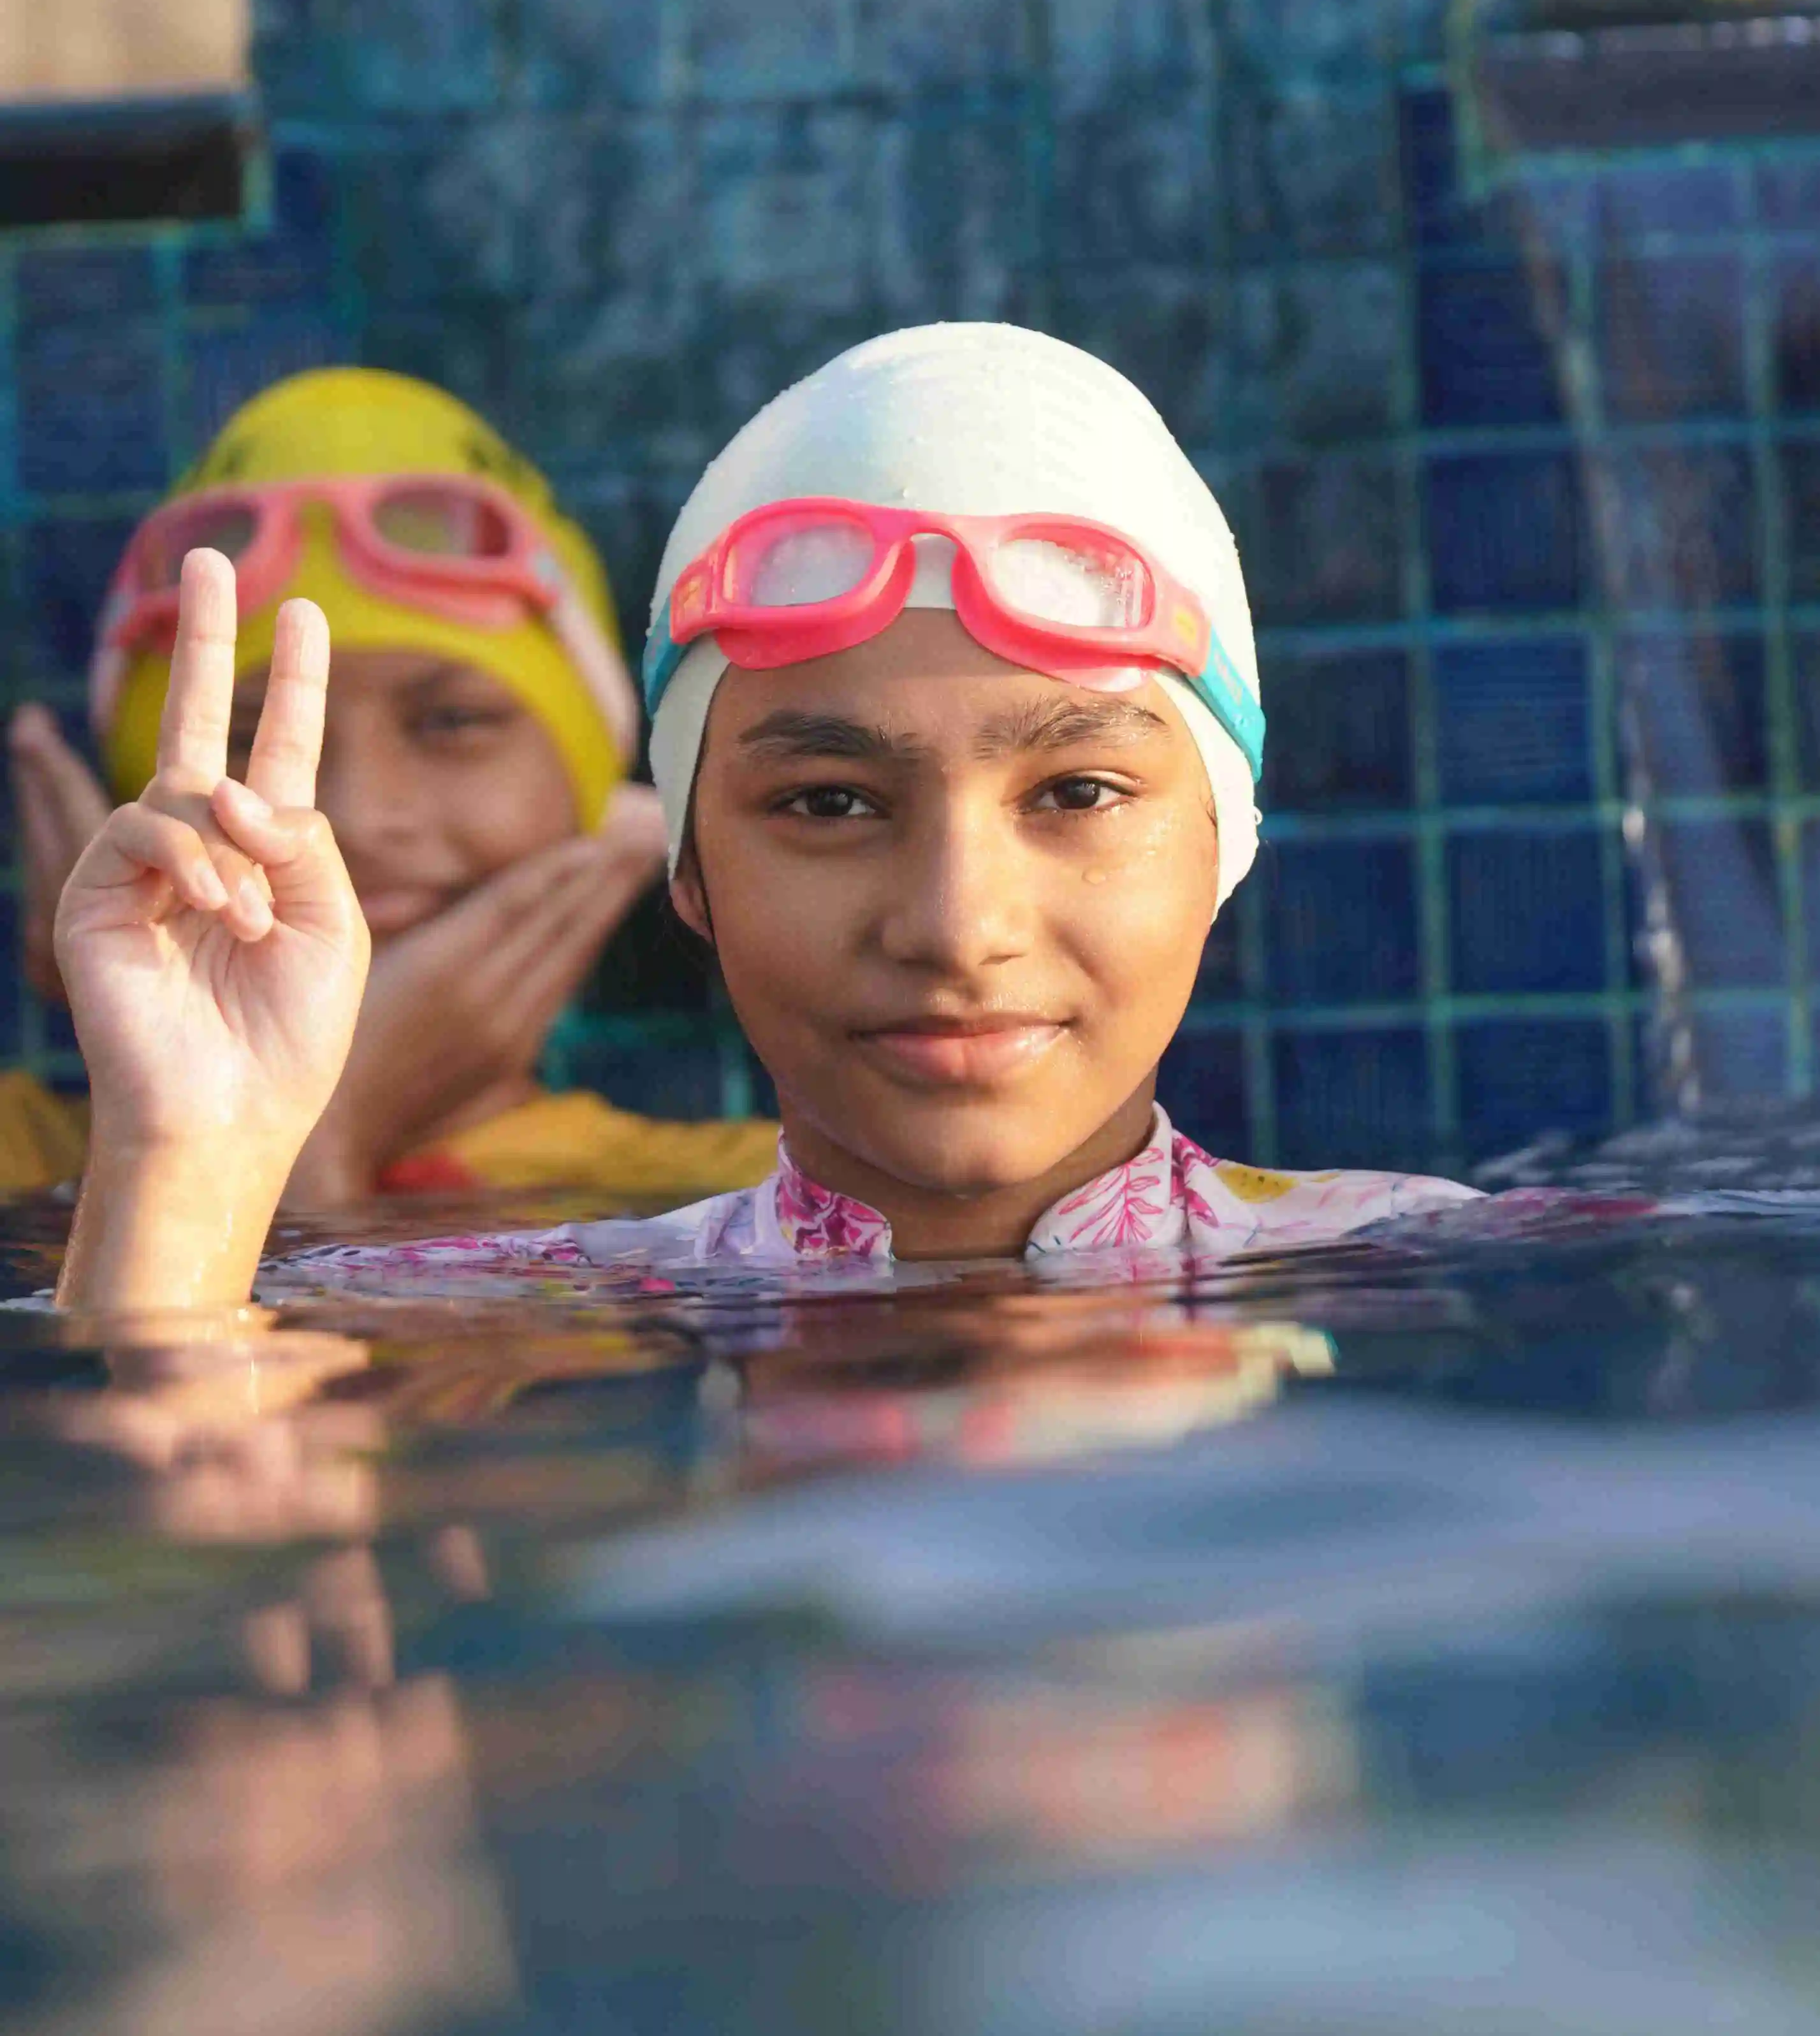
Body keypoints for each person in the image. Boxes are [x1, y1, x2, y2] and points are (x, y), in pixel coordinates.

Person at [47, 323, 1477, 1315]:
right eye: (829, 801)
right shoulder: (512, 1299)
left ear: (1225, 837)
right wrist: (189, 1158)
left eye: (1075, 792)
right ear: (689, 870)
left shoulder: (1426, 1264)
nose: (953, 922)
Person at [4, 367, 775, 1212]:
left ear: (595, 781)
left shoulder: (752, 1202)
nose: (357, 821)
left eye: (452, 722)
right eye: (244, 739)